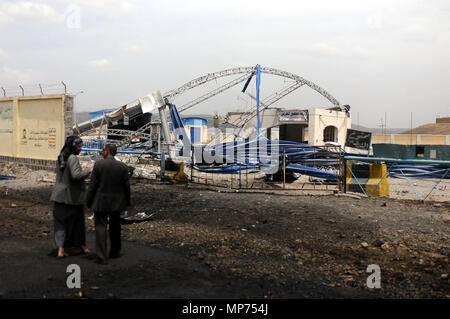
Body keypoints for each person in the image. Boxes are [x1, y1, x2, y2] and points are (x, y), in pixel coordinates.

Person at [86, 143, 131, 264]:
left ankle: (101, 255)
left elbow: (93, 185)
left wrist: (88, 202)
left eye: (103, 150)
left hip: (101, 201)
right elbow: (127, 186)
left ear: (106, 151)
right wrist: (127, 201)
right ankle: (115, 252)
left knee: (101, 227)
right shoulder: (122, 167)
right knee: (115, 226)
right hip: (117, 202)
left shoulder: (99, 164)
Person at [50, 135, 91, 259]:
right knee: (77, 223)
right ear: (73, 146)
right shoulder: (72, 158)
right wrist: (87, 171)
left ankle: (60, 250)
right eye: (79, 146)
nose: (81, 148)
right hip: (71, 197)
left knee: (60, 223)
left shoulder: (61, 156)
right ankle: (78, 246)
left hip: (59, 196)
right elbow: (75, 176)